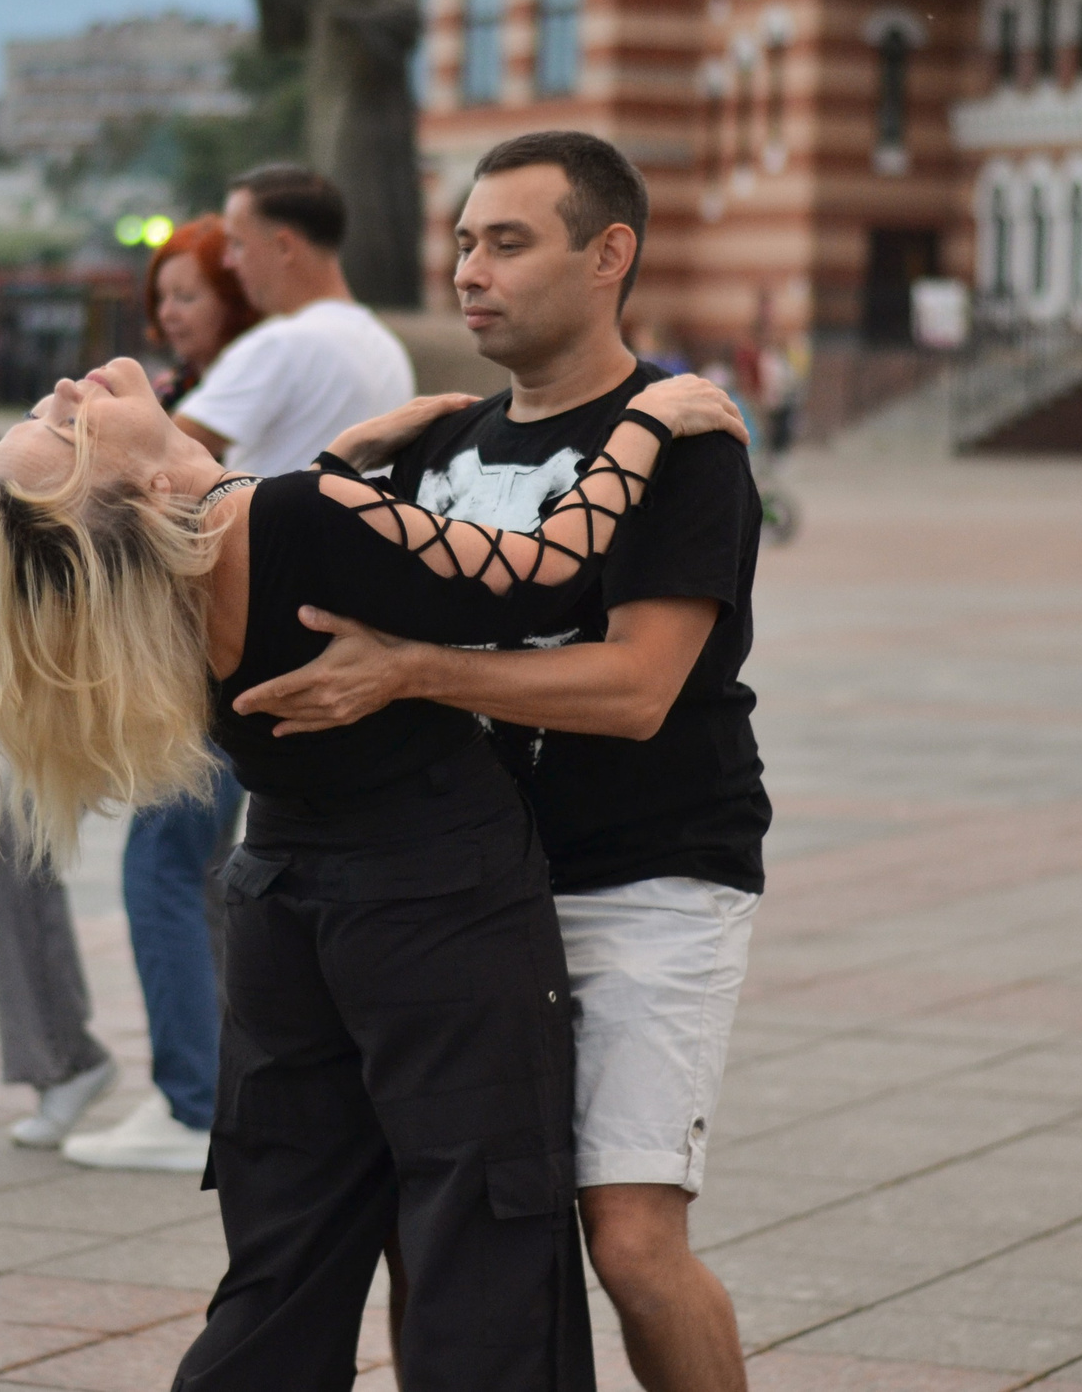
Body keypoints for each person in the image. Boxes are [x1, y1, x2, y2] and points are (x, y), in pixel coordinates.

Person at [0, 340, 746, 1390]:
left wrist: (339, 458)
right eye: (61, 431)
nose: (69, 390)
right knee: (479, 1251)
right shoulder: (296, 518)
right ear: (136, 490)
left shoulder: (177, 576)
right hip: (435, 911)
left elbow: (281, 544)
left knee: (286, 1266)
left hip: (286, 917)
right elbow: (545, 573)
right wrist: (650, 421)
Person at [231, 132, 772, 1392]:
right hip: (458, 889)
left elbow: (637, 690)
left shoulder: (682, 440)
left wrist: (414, 671)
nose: (471, 270)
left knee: (632, 1244)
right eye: (464, 242)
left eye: (508, 243)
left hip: (642, 874)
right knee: (450, 1234)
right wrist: (344, 460)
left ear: (608, 256)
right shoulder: (433, 444)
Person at [0, 216, 275, 1172]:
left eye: (192, 291)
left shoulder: (251, 383)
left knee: (169, 869)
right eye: (164, 294)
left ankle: (194, 1095)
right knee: (184, 868)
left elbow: (98, 506)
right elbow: (89, 506)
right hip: (183, 666)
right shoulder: (183, 420)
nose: (168, 312)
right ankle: (200, 1087)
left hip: (189, 675)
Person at [173, 163, 414, 472]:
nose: (228, 261)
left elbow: (158, 452)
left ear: (285, 246)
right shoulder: (387, 347)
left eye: (237, 243)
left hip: (271, 521)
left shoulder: (281, 344)